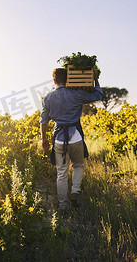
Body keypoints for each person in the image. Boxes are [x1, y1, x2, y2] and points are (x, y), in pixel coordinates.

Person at [40, 67, 102, 213]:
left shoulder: (48, 98)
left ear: (54, 80)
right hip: (76, 137)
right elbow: (98, 94)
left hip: (59, 140)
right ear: (68, 79)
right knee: (78, 165)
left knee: (61, 173)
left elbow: (43, 120)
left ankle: (63, 206)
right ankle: (75, 190)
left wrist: (44, 138)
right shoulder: (76, 94)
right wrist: (95, 78)